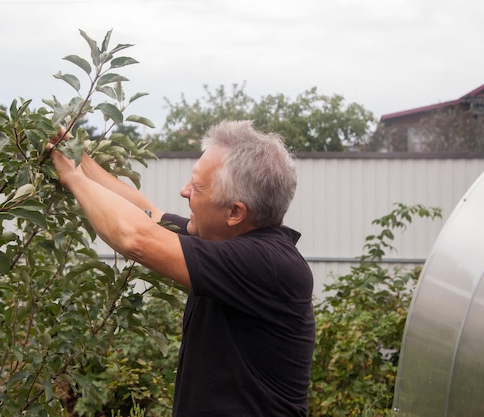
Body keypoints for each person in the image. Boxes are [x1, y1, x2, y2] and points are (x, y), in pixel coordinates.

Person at [49, 120, 315, 417]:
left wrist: (72, 178)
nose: (184, 191)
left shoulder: (267, 264)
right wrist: (78, 157)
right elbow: (149, 216)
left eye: (197, 187)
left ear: (234, 212)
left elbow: (135, 237)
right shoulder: (225, 244)